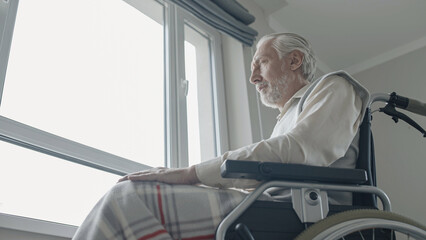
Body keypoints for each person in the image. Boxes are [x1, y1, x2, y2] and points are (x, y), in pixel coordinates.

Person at [73, 33, 369, 240]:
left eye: (261, 64)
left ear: (294, 61)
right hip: (267, 203)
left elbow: (301, 149)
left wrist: (191, 174)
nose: (253, 78)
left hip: (308, 212)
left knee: (127, 198)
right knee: (126, 198)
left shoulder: (334, 87)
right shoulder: (286, 119)